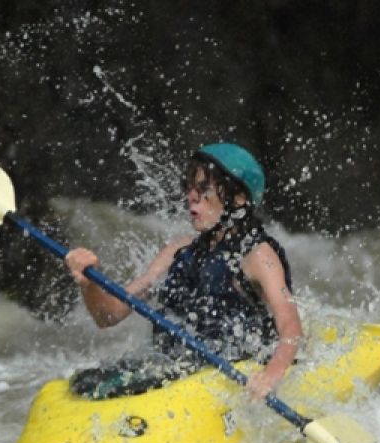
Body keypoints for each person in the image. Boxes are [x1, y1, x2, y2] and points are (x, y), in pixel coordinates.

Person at [64, 143, 302, 401]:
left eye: (204, 189)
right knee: (90, 382)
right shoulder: (179, 251)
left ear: (238, 199)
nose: (191, 196)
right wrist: (88, 282)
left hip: (231, 370)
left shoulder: (259, 256)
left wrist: (270, 375)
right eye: (189, 187)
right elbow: (108, 316)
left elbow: (290, 325)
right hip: (175, 370)